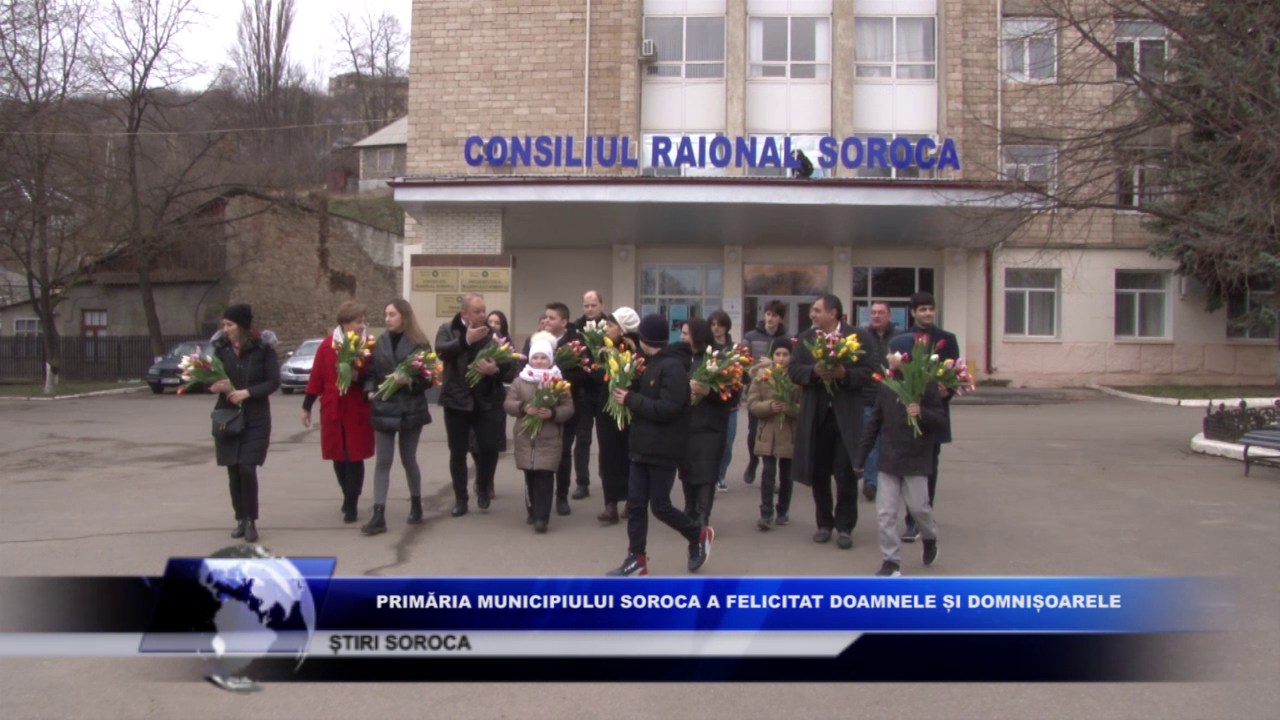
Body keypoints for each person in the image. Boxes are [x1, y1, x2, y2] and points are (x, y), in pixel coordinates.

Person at [607, 313, 713, 577]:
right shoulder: (649, 362)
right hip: (641, 447)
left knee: (660, 506)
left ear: (645, 339)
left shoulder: (673, 367)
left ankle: (697, 534)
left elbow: (668, 408)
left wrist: (631, 399)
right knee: (636, 505)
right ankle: (636, 558)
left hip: (664, 449)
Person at [788, 294, 874, 550]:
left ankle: (845, 527)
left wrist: (844, 374)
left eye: (817, 310)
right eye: (812, 311)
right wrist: (813, 372)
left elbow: (870, 372)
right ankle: (824, 523)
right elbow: (793, 370)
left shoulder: (857, 337)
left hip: (845, 418)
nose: (812, 314)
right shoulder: (806, 338)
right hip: (816, 417)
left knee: (845, 474)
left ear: (833, 313)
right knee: (819, 473)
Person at [856, 371, 945, 577]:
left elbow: (940, 421)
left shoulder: (926, 384)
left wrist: (922, 412)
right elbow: (874, 423)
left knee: (919, 508)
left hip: (916, 459)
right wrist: (861, 457)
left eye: (892, 355)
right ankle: (891, 560)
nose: (888, 357)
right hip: (889, 459)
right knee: (885, 513)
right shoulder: (887, 385)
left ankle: (929, 537)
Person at [888, 291, 959, 542]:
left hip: (933, 413)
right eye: (923, 309)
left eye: (931, 309)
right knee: (910, 469)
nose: (928, 313)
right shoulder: (901, 339)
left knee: (929, 468)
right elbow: (893, 373)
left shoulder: (947, 339)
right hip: (907, 413)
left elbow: (954, 373)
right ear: (913, 312)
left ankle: (921, 517)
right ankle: (913, 520)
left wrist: (947, 390)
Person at [436, 294, 516, 517]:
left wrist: (495, 371)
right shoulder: (448, 329)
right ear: (464, 314)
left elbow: (510, 369)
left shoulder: (494, 334)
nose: (483, 316)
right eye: (477, 312)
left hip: (487, 401)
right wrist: (466, 341)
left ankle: (482, 485)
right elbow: (441, 351)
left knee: (489, 448)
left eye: (484, 311)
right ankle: (461, 498)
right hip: (456, 400)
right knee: (458, 451)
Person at [360, 299, 434, 536]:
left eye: (392, 315)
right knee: (383, 461)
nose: (387, 319)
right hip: (384, 406)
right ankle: (378, 514)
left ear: (404, 316)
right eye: (386, 315)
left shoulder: (420, 344)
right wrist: (369, 390)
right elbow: (371, 372)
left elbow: (428, 378)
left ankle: (416, 504)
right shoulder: (381, 342)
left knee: (408, 458)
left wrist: (409, 380)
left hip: (409, 408)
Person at [208, 304, 280, 544]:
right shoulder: (221, 349)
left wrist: (247, 393)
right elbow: (208, 378)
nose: (225, 329)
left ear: (242, 325)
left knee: (247, 467)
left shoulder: (263, 348)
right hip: (228, 417)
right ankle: (240, 517)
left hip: (256, 418)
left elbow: (273, 382)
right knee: (233, 470)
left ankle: (250, 519)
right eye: (224, 324)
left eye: (230, 324)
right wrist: (214, 386)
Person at [301, 301, 376, 524]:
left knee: (355, 457)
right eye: (358, 321)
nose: (362, 326)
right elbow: (316, 377)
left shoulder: (367, 347)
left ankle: (352, 502)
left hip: (356, 408)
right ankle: (347, 494)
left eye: (363, 321)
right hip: (333, 409)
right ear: (345, 323)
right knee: (338, 458)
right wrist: (307, 406)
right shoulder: (327, 346)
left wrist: (357, 377)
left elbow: (374, 374)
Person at [517, 302, 588, 517]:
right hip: (534, 408)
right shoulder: (534, 341)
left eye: (551, 318)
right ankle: (536, 501)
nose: (546, 320)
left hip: (563, 406)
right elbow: (522, 368)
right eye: (545, 317)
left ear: (563, 322)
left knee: (563, 453)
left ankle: (561, 496)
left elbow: (584, 373)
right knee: (536, 455)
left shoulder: (576, 343)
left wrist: (557, 381)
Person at [504, 333, 575, 533]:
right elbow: (508, 404)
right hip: (526, 438)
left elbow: (568, 408)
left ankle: (542, 517)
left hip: (549, 438)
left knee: (545, 477)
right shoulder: (520, 381)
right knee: (530, 477)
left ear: (550, 359)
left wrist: (552, 413)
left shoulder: (559, 382)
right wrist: (523, 407)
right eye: (535, 357)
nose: (539, 361)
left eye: (544, 357)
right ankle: (532, 510)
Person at [591, 306, 641, 525]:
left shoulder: (637, 352)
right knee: (608, 456)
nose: (606, 329)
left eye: (611, 325)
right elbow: (597, 376)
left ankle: (631, 500)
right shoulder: (605, 348)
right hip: (607, 410)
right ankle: (610, 503)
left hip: (629, 410)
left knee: (629, 455)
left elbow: (640, 380)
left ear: (623, 329)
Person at [678, 318, 729, 527]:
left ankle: (703, 514)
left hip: (710, 425)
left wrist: (708, 392)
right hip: (686, 423)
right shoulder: (682, 358)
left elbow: (731, 395)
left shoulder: (717, 359)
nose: (682, 337)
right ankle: (689, 508)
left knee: (706, 471)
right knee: (687, 469)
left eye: (685, 333)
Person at [746, 338, 800, 530]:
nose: (781, 358)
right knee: (768, 473)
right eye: (778, 354)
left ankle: (783, 511)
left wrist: (789, 408)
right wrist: (769, 406)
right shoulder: (762, 375)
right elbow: (752, 403)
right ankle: (766, 513)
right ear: (772, 355)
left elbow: (803, 407)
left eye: (785, 354)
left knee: (787, 476)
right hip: (767, 433)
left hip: (789, 434)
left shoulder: (796, 378)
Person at [740, 300, 790, 486]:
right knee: (754, 432)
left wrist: (774, 363)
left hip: (779, 391)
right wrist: (755, 371)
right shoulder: (751, 336)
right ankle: (753, 461)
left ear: (780, 318)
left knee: (777, 435)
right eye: (768, 314)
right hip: (758, 391)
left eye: (774, 315)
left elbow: (791, 361)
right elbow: (742, 362)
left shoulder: (786, 338)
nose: (770, 318)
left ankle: (771, 477)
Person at [858, 302, 899, 502]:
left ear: (889, 316)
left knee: (890, 441)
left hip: (892, 399)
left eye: (881, 313)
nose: (876, 316)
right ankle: (871, 483)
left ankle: (892, 481)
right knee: (872, 442)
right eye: (873, 313)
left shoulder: (898, 338)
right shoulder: (862, 337)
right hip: (868, 398)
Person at [469, 310, 510, 498]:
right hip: (472, 398)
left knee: (490, 445)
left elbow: (509, 373)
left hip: (493, 398)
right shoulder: (474, 340)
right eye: (490, 321)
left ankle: (487, 479)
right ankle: (482, 475)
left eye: (497, 322)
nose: (493, 325)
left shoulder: (504, 346)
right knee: (473, 444)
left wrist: (494, 370)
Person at [570, 290, 607, 499]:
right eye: (586, 306)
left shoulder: (609, 327)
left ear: (601, 305)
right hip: (583, 392)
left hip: (603, 391)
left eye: (593, 305)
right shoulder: (576, 328)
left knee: (605, 439)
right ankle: (582, 482)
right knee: (582, 440)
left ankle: (606, 477)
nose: (590, 309)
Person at [706, 310, 741, 493]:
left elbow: (743, 376)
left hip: (730, 406)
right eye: (712, 325)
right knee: (711, 444)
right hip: (710, 404)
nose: (716, 328)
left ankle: (721, 475)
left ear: (726, 327)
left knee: (727, 445)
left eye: (719, 325)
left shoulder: (735, 349)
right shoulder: (707, 349)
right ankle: (711, 477)